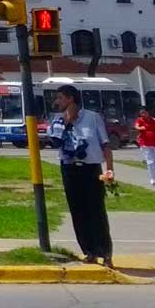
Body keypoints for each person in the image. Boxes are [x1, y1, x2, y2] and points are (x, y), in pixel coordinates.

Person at [47, 84, 115, 266]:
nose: (57, 102)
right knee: (78, 211)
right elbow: (55, 142)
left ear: (70, 98)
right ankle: (89, 251)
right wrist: (66, 123)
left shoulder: (92, 118)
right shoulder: (58, 120)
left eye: (60, 98)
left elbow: (105, 145)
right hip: (70, 169)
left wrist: (109, 169)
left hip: (90, 169)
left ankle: (105, 252)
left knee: (96, 211)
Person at [134, 106, 155, 186]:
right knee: (151, 162)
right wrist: (140, 127)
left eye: (144, 112)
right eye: (141, 113)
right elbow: (136, 126)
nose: (142, 114)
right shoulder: (140, 120)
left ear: (148, 112)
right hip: (145, 144)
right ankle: (154, 180)